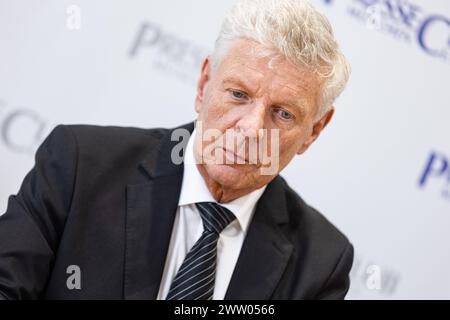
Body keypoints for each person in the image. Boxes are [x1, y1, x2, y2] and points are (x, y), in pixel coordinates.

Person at [0, 0, 353, 300]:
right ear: (204, 85)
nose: (250, 129)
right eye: (238, 95)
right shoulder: (79, 167)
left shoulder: (321, 263)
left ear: (314, 131)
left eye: (283, 113)